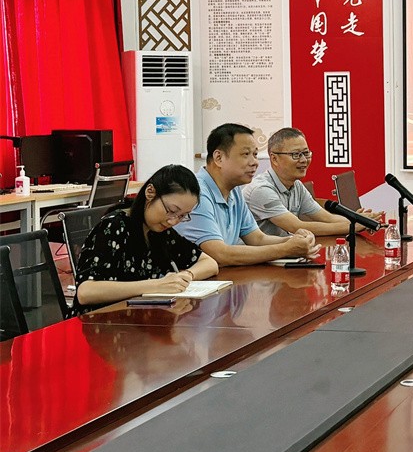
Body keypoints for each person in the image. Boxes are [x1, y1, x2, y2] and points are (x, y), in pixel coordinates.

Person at [72, 164, 219, 315]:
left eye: (182, 216)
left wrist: (186, 276)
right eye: (171, 211)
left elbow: (210, 263)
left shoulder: (161, 232)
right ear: (150, 192)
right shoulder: (114, 226)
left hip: (141, 319)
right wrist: (156, 286)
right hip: (100, 320)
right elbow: (86, 292)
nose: (173, 221)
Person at [175, 123, 322, 266]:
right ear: (219, 158)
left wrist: (295, 241)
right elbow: (220, 254)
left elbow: (257, 239)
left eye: (255, 154)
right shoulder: (196, 192)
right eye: (246, 154)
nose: (255, 162)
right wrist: (286, 249)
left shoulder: (234, 190)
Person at [244, 127, 383, 237]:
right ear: (274, 159)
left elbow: (327, 218)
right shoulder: (261, 190)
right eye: (296, 155)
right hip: (254, 260)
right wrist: (353, 226)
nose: (303, 160)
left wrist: (360, 220)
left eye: (306, 153)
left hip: (280, 255)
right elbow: (297, 227)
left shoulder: (296, 186)